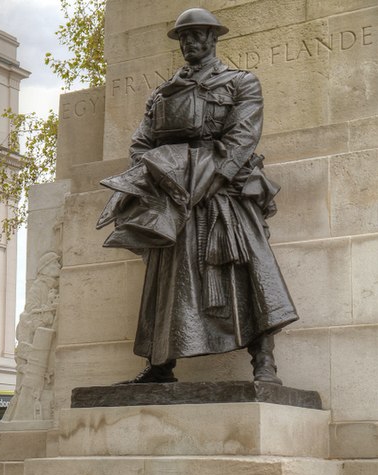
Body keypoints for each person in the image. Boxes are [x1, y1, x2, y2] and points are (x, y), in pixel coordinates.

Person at [97, 8, 298, 385]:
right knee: (167, 281)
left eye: (197, 35)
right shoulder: (161, 94)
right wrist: (164, 176)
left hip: (222, 193)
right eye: (183, 36)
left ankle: (265, 363)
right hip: (174, 196)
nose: (189, 42)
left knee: (250, 271)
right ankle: (161, 364)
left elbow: (241, 139)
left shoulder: (241, 83)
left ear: (212, 38)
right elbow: (141, 144)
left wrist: (205, 179)